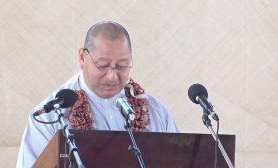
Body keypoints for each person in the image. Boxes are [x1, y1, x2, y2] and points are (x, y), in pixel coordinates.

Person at [16, 21, 179, 168]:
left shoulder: (155, 113)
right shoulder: (49, 117)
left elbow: (179, 160)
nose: (112, 76)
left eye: (122, 66)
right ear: (82, 58)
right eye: (103, 65)